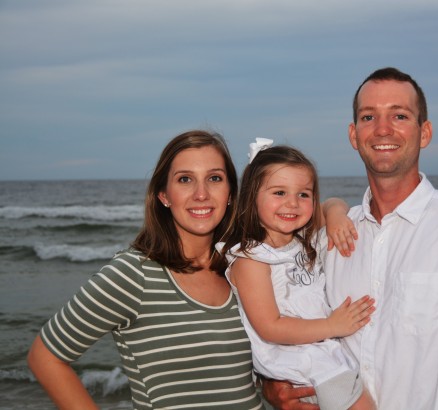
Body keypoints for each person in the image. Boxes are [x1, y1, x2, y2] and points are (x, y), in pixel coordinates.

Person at [263, 67, 438, 409]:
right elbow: (282, 314)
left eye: (399, 115)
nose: (383, 129)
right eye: (368, 117)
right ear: (353, 135)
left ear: (425, 132)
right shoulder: (328, 238)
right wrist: (272, 385)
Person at [27, 130, 265, 409]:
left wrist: (332, 208)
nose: (201, 194)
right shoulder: (133, 274)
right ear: (164, 195)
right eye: (185, 179)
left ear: (229, 194)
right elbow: (44, 357)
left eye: (214, 178)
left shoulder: (243, 267)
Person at [218, 139, 376, 410]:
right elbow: (270, 326)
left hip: (321, 351)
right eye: (279, 193)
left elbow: (331, 203)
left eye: (304, 194)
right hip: (296, 360)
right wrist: (333, 326)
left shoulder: (303, 238)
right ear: (251, 197)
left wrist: (337, 215)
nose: (292, 203)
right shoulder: (252, 260)